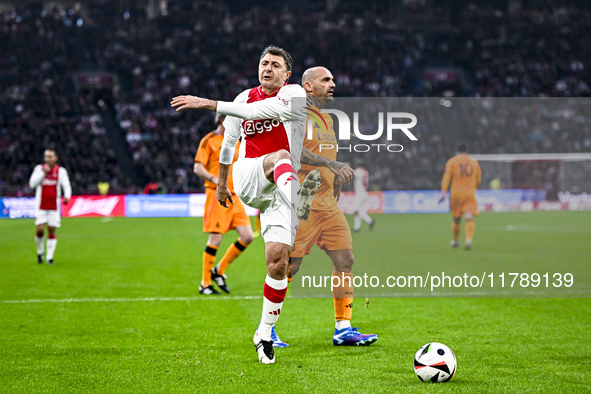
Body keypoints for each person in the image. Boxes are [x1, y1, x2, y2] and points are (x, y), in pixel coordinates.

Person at [171, 45, 353, 364]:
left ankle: (264, 333)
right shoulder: (242, 99)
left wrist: (210, 103)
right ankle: (299, 200)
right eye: (263, 63)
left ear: (287, 74)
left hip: (278, 189)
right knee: (282, 157)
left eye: (275, 65)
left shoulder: (294, 94)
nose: (267, 68)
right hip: (251, 173)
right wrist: (222, 184)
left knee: (278, 261)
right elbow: (229, 145)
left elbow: (261, 113)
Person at [289, 66, 378, 346]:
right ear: (308, 86)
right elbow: (296, 152)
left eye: (332, 80)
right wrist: (331, 164)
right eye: (325, 80)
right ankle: (268, 327)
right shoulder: (297, 115)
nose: (333, 84)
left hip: (328, 204)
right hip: (303, 202)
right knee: (288, 267)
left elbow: (329, 156)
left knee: (345, 261)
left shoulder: (327, 119)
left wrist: (337, 180)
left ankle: (343, 327)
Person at [193, 113, 254, 295]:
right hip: (217, 195)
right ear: (222, 120)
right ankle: (204, 284)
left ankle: (218, 270)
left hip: (235, 196)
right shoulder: (209, 140)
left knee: (248, 236)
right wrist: (215, 180)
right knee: (216, 238)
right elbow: (197, 167)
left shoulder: (237, 142)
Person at [29, 148, 72, 264]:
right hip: (41, 206)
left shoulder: (61, 171)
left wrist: (67, 195)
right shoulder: (39, 169)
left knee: (52, 230)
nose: (47, 159)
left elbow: (66, 184)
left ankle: (50, 257)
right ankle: (40, 251)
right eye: (46, 157)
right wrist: (43, 172)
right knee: (40, 229)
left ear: (55, 158)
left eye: (50, 157)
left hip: (54, 206)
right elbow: (32, 184)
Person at [439, 143, 482, 250]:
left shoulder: (452, 161)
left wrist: (443, 193)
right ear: (466, 151)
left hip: (456, 194)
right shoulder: (474, 162)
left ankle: (455, 241)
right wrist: (474, 187)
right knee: (469, 217)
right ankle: (468, 240)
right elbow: (478, 179)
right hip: (469, 193)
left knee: (456, 219)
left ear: (457, 151)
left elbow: (446, 178)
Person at [352, 160, 375, 232]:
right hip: (364, 192)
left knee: (356, 210)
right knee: (358, 210)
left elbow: (351, 175)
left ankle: (370, 220)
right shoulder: (366, 172)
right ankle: (357, 227)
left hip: (360, 193)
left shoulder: (358, 171)